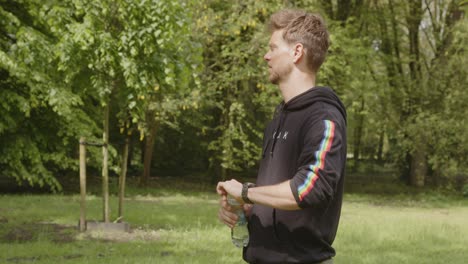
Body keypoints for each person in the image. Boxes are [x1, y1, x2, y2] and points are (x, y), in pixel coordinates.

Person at [216, 9, 347, 264]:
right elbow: (281, 197)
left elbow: (310, 188)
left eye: (273, 48)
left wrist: (245, 192)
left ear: (297, 52)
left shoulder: (324, 117)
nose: (266, 56)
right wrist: (249, 210)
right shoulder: (277, 120)